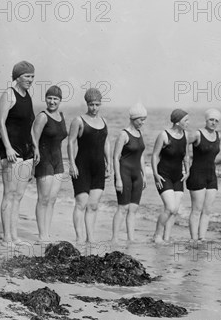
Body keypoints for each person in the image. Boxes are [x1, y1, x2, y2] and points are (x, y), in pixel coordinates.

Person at [0, 61, 37, 244]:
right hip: (11, 150)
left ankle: (14, 235)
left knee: (19, 196)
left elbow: (30, 125)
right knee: (9, 194)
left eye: (32, 76)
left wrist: (35, 147)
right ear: (17, 77)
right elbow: (0, 122)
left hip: (27, 150)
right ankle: (6, 237)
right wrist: (7, 147)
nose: (31, 80)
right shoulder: (9, 95)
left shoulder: (27, 95)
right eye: (27, 76)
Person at [68, 88, 111, 244]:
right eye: (91, 104)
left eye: (97, 104)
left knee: (93, 205)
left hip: (98, 167)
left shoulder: (104, 121)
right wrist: (72, 164)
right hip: (81, 166)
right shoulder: (78, 121)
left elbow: (106, 143)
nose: (94, 108)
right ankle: (79, 237)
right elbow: (71, 142)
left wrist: (109, 164)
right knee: (81, 204)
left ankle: (91, 238)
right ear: (87, 104)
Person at [31, 85, 67, 242]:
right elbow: (33, 136)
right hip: (44, 160)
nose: (52, 102)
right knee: (43, 198)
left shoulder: (61, 115)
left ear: (60, 100)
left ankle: (47, 232)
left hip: (58, 161)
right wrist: (35, 154)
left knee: (52, 199)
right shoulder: (43, 116)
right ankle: (41, 235)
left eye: (55, 99)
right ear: (46, 99)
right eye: (49, 98)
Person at [152, 109, 191, 243]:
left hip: (178, 176)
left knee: (175, 211)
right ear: (178, 122)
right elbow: (155, 155)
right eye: (186, 120)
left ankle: (166, 238)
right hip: (163, 175)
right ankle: (157, 235)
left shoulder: (186, 135)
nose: (188, 122)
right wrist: (155, 174)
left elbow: (186, 155)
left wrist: (188, 171)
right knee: (170, 207)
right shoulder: (164, 135)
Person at [112, 103, 147, 243]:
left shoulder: (140, 133)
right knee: (122, 208)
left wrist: (144, 175)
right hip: (124, 174)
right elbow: (115, 157)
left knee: (133, 209)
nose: (143, 123)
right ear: (133, 118)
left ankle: (130, 239)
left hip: (137, 175)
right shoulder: (123, 134)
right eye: (141, 119)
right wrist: (118, 179)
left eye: (144, 119)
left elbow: (141, 155)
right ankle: (114, 238)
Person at [186, 109, 221, 241]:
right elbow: (183, 144)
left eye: (216, 120)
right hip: (197, 174)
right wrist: (185, 163)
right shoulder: (197, 134)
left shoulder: (219, 136)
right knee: (196, 210)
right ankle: (193, 239)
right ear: (206, 120)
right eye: (211, 120)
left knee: (207, 211)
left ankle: (202, 238)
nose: (213, 123)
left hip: (211, 176)